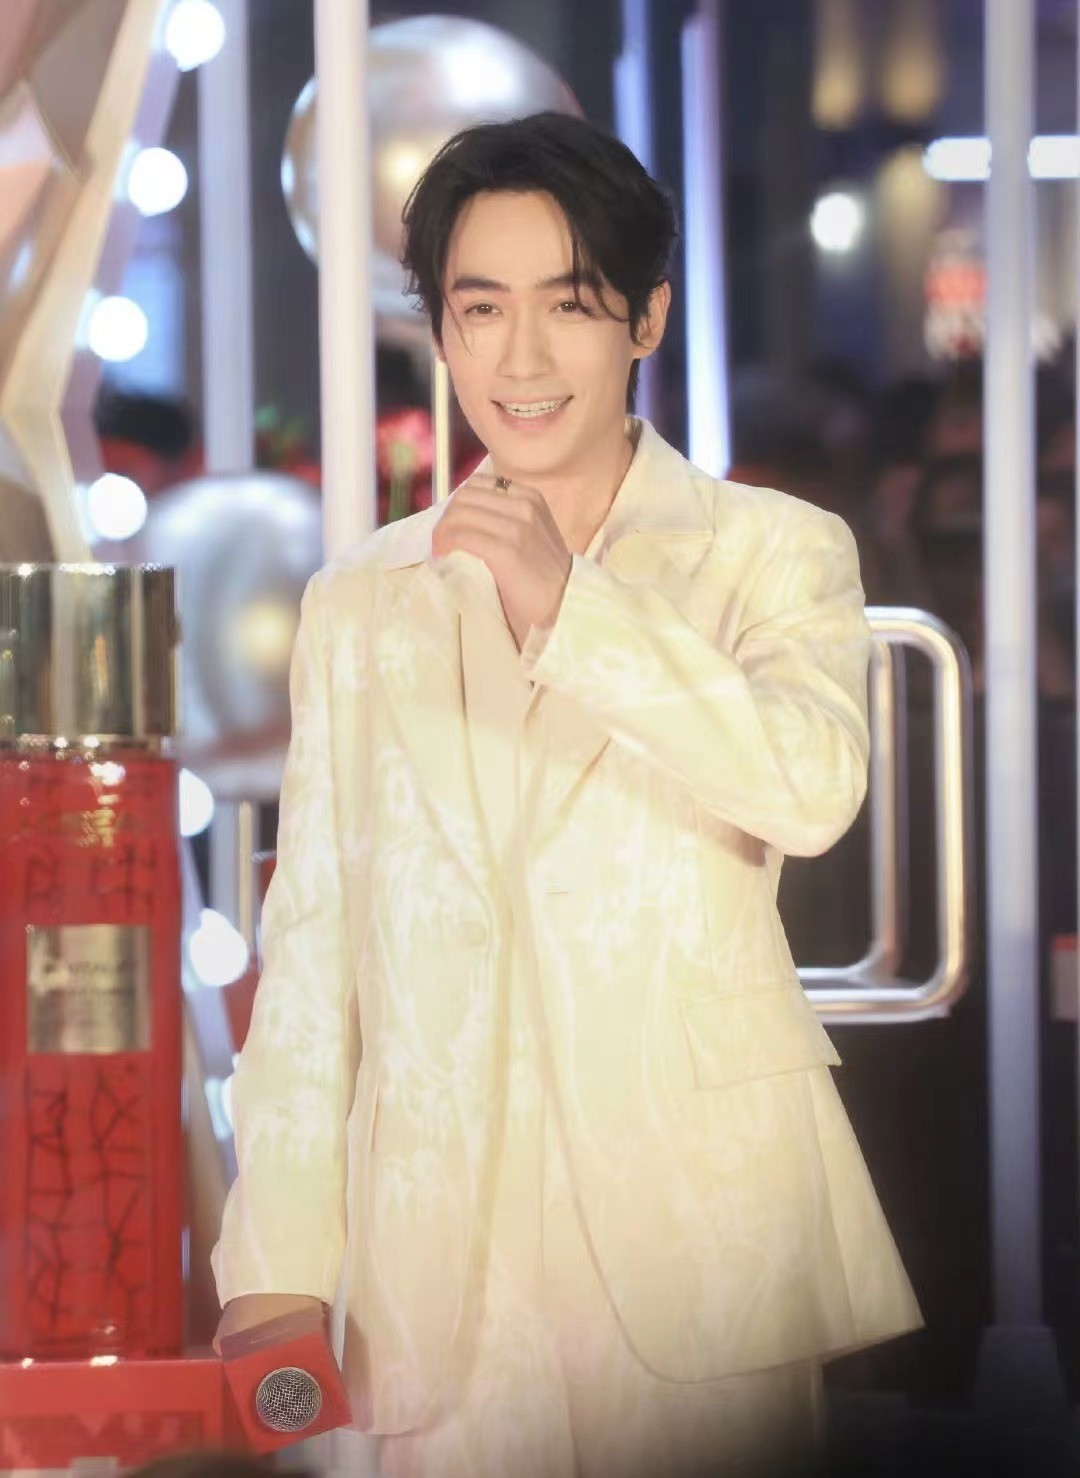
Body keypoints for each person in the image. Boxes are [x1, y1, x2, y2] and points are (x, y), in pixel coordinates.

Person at [211, 111, 921, 1478]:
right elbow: (312, 947)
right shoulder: (363, 598)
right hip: (442, 1263)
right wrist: (276, 1260)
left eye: (571, 305)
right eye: (481, 309)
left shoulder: (772, 552)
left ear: (647, 317)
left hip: (699, 1236)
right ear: (442, 329)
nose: (520, 358)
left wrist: (571, 606)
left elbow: (809, 788)